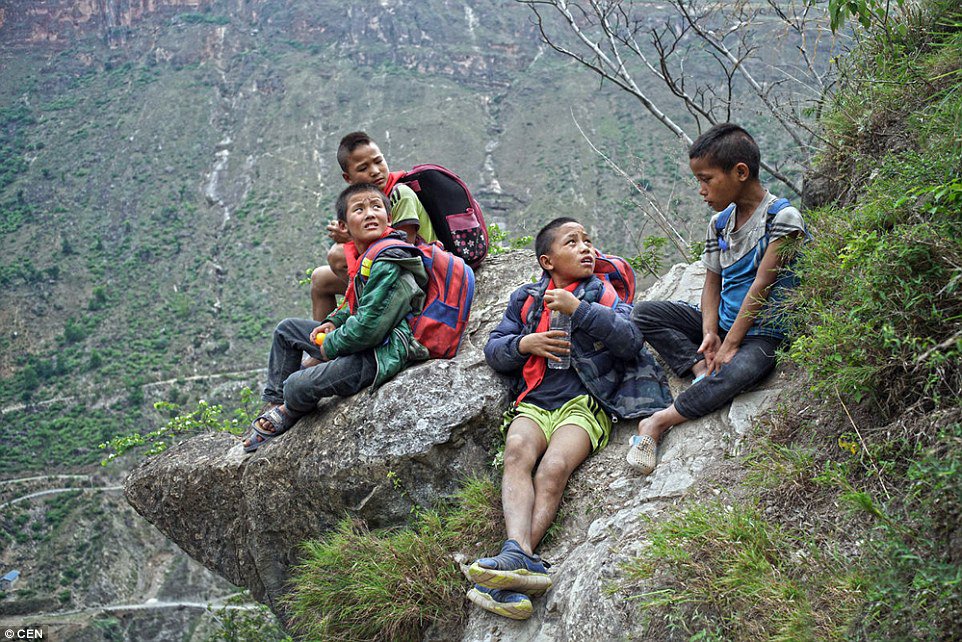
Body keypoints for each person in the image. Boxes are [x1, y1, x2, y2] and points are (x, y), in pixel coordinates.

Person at [468, 217, 671, 620]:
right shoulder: (526, 298)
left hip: (586, 403)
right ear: (547, 261)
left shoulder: (602, 292)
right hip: (536, 400)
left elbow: (630, 341)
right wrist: (526, 343)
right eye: (572, 242)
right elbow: (495, 349)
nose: (586, 248)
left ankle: (515, 559)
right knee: (517, 453)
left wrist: (580, 309)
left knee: (554, 467)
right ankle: (521, 563)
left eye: (588, 240)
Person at [627, 123, 808, 475]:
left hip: (762, 331)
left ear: (740, 172)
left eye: (706, 179)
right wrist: (711, 333)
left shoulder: (783, 219)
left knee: (743, 370)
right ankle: (700, 371)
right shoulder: (720, 223)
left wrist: (732, 345)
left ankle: (658, 423)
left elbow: (762, 286)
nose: (701, 190)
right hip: (725, 325)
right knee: (645, 314)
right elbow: (712, 282)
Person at [243, 183, 429, 452]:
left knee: (297, 384)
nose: (369, 214)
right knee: (286, 331)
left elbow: (368, 329)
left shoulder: (390, 259)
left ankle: (288, 408)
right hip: (362, 341)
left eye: (377, 207)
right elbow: (353, 302)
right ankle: (275, 402)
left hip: (382, 352)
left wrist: (328, 345)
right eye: (359, 209)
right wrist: (333, 322)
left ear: (388, 218)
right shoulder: (370, 254)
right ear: (345, 226)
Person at [310, 131, 437, 322]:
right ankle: (320, 346)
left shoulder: (400, 194)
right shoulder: (364, 199)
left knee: (338, 255)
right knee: (320, 279)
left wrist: (352, 238)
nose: (375, 171)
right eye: (363, 168)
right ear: (348, 178)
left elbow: (402, 252)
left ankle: (376, 312)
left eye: (378, 161)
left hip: (417, 276)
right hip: (384, 267)